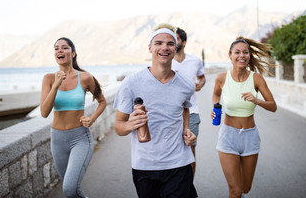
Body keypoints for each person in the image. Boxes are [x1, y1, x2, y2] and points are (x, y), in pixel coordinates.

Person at [113, 23, 198, 198]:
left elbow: (185, 108)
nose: (164, 48)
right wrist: (130, 125)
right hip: (145, 166)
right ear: (150, 47)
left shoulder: (186, 84)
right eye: (158, 43)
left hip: (179, 164)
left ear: (176, 48)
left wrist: (186, 129)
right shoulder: (131, 83)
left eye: (170, 44)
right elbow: (118, 127)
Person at [40, 37, 107, 198]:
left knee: (69, 189)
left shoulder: (84, 78)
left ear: (73, 52)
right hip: (57, 140)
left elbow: (102, 102)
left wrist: (92, 119)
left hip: (80, 139)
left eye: (64, 47)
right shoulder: (48, 79)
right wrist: (56, 85)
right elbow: (44, 112)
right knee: (72, 192)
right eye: (56, 48)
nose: (59, 51)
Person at [212, 37, 277, 198]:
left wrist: (256, 100)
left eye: (245, 52)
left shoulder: (256, 79)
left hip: (250, 137)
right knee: (235, 190)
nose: (242, 55)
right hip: (228, 136)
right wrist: (215, 108)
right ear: (230, 55)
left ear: (249, 56)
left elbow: (273, 106)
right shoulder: (221, 78)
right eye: (237, 52)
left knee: (245, 188)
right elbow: (215, 95)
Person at [172, 27, 206, 176]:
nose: (173, 42)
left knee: (190, 152)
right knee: (171, 152)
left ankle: (188, 189)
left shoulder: (195, 61)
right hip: (171, 114)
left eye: (177, 39)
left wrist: (200, 84)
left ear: (184, 42)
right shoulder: (166, 61)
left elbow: (202, 77)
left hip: (192, 112)